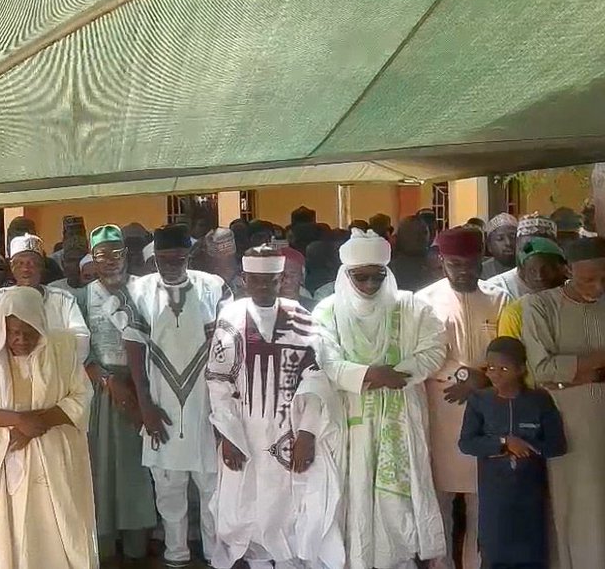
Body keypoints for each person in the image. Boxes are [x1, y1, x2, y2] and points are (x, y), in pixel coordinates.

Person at [313, 229, 447, 569]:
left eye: (378, 276)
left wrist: (396, 373)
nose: (371, 283)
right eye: (362, 277)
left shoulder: (413, 307)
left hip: (399, 417)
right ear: (346, 275)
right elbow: (323, 360)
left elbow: (434, 350)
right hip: (350, 419)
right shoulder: (327, 311)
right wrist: (370, 375)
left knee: (397, 501)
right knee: (353, 495)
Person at [206, 247, 345, 569]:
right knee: (242, 507)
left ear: (281, 279)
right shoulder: (231, 317)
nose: (263, 287)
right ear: (245, 280)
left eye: (271, 281)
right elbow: (218, 381)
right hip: (244, 429)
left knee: (289, 505)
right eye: (256, 281)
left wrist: (308, 434)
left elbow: (317, 379)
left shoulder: (299, 316)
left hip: (289, 429)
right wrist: (228, 435)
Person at [0, 286, 97, 568]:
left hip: (50, 458)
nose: (20, 339)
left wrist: (38, 423)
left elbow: (81, 396)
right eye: (13, 332)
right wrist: (19, 421)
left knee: (52, 528)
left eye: (29, 332)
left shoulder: (62, 350)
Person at [118, 224, 230, 569]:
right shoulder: (138, 290)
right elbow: (133, 347)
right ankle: (176, 556)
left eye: (179, 257)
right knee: (169, 491)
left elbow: (228, 347)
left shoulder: (214, 287)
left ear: (190, 255)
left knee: (213, 489)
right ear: (153, 259)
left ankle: (216, 556)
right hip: (161, 405)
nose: (171, 264)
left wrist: (224, 412)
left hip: (207, 406)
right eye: (164, 259)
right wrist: (145, 406)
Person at [417, 227, 511, 569]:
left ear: (480, 261)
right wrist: (462, 374)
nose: (463, 270)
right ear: (441, 262)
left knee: (481, 502)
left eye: (470, 263)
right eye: (455, 263)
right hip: (442, 411)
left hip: (488, 408)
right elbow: (422, 354)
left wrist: (482, 377)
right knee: (438, 502)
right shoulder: (424, 302)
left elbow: (510, 348)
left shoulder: (499, 298)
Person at [520, 237, 605, 568]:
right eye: (588, 279)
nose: (598, 287)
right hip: (569, 423)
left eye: (604, 278)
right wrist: (596, 367)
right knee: (579, 507)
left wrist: (573, 371)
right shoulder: (541, 306)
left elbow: (559, 370)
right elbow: (542, 369)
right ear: (568, 271)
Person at [82, 225, 156, 565]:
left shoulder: (145, 290)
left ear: (126, 255)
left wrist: (139, 389)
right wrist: (108, 381)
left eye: (116, 253)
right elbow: (78, 350)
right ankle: (105, 546)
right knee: (102, 469)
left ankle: (139, 545)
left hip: (145, 389)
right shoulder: (83, 297)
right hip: (101, 391)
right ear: (93, 260)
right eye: (101, 255)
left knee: (139, 469)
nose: (110, 261)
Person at [459, 337, 566, 569]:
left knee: (532, 558)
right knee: (495, 555)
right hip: (495, 498)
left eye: (504, 368)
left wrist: (528, 447)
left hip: (531, 498)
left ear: (521, 369)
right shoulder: (479, 401)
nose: (495, 374)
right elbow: (467, 443)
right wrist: (503, 442)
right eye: (490, 368)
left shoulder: (540, 400)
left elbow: (558, 445)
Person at [0, 234, 89, 361]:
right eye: (20, 263)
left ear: (42, 266)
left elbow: (81, 338)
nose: (26, 269)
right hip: (13, 372)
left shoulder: (62, 299)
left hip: (55, 371)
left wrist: (44, 353)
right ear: (12, 267)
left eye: (32, 263)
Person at [497, 238, 568, 340]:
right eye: (532, 271)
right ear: (523, 273)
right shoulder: (515, 313)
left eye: (546, 269)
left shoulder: (578, 304)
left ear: (561, 269)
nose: (539, 276)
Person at [488, 214, 558, 299]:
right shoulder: (497, 288)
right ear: (518, 247)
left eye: (544, 247)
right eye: (529, 248)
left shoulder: (566, 285)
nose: (536, 253)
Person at [390, 215, 435, 292]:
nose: (422, 238)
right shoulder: (390, 272)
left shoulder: (435, 264)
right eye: (414, 233)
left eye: (425, 233)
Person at [482, 213, 519, 280]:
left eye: (513, 237)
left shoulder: (530, 268)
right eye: (500, 238)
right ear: (489, 245)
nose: (508, 243)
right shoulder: (481, 272)